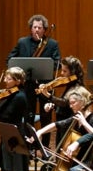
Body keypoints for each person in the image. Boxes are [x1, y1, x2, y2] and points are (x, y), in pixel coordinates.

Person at [8, 14, 61, 146]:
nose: (37, 30)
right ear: (31, 28)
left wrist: (46, 66)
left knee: (46, 117)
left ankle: (45, 146)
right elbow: (10, 60)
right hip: (27, 85)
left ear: (44, 30)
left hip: (45, 85)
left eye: (40, 27)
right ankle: (29, 146)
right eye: (34, 27)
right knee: (28, 116)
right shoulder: (22, 42)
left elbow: (57, 63)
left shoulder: (52, 44)